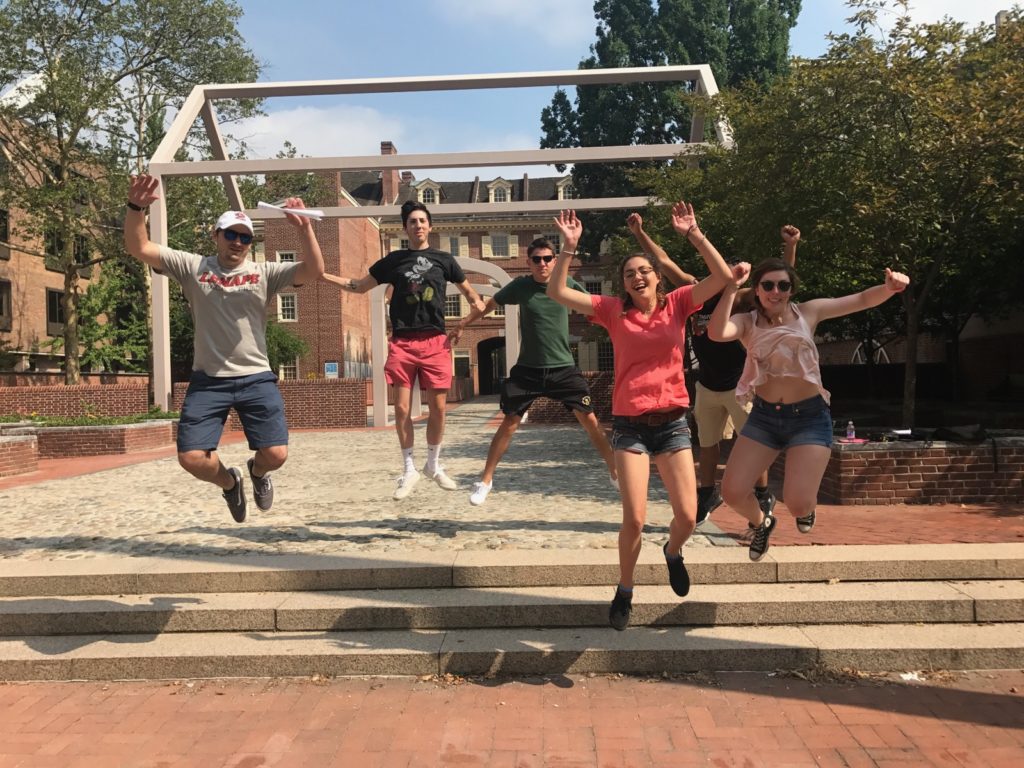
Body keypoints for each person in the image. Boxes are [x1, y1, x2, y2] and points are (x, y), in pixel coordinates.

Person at [547, 204, 737, 630]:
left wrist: (694, 234)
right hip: (630, 427)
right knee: (634, 517)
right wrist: (568, 249)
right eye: (630, 273)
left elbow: (723, 279)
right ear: (625, 284)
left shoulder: (678, 304)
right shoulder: (613, 311)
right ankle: (626, 588)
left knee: (688, 516)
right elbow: (558, 293)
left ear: (656, 276)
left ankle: (673, 551)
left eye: (644, 270)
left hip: (671, 425)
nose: (637, 276)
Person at [123, 173, 325, 523]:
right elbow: (139, 247)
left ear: (250, 243)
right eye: (230, 234)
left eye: (244, 237)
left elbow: (314, 270)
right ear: (216, 236)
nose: (237, 241)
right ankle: (230, 482)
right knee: (191, 458)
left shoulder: (265, 272)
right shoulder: (193, 267)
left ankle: (257, 473)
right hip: (208, 380)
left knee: (275, 454)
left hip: (255, 377)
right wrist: (136, 207)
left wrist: (304, 228)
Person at [709, 258, 909, 561]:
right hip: (764, 417)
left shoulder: (808, 312)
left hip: (809, 418)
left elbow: (862, 300)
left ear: (791, 290)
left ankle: (807, 509)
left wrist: (890, 288)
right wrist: (731, 288)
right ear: (758, 290)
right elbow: (717, 331)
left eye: (783, 286)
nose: (775, 291)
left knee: (799, 504)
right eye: (768, 285)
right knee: (732, 492)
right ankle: (762, 521)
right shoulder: (748, 322)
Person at [629, 216, 802, 524]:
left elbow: (779, 288)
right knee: (707, 444)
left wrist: (790, 247)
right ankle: (708, 493)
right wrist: (640, 233)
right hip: (707, 385)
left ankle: (762, 495)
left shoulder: (743, 300)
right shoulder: (696, 292)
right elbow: (663, 261)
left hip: (740, 384)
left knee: (753, 443)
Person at [322, 200, 485, 500]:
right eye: (412, 221)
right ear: (406, 227)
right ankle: (409, 468)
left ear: (430, 226)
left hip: (436, 342)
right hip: (402, 342)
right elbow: (358, 286)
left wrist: (464, 321)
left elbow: (476, 299)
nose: (418, 225)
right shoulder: (394, 261)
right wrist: (323, 276)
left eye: (422, 221)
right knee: (401, 408)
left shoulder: (445, 260)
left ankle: (433, 465)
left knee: (438, 409)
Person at [448, 237, 617, 506]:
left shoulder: (565, 285)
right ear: (528, 262)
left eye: (547, 258)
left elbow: (596, 308)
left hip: (562, 368)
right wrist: (462, 325)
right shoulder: (521, 287)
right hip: (528, 370)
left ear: (555, 261)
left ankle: (614, 469)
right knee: (510, 423)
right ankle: (485, 480)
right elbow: (487, 306)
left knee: (589, 419)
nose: (542, 263)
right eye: (536, 259)